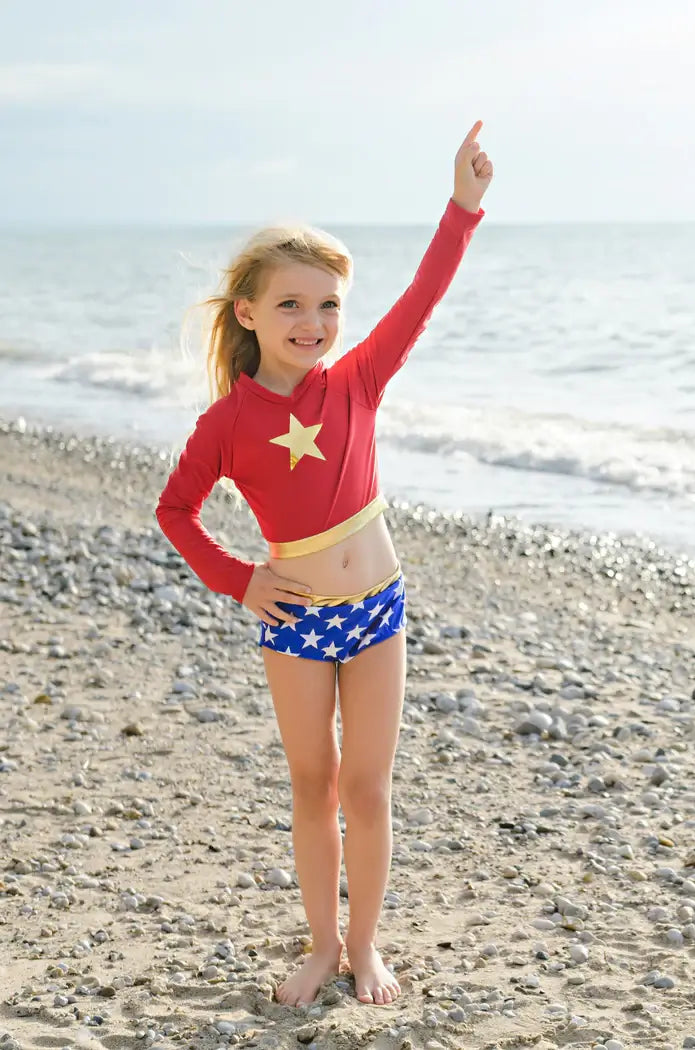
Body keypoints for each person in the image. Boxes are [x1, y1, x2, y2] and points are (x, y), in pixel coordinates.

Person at [155, 120, 492, 1008]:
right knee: (313, 784)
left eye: (329, 306)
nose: (315, 323)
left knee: (366, 786)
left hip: (377, 608)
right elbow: (174, 511)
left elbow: (421, 297)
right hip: (294, 620)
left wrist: (462, 207)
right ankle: (320, 943)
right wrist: (241, 579)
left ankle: (368, 947)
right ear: (249, 314)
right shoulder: (226, 423)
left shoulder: (357, 382)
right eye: (294, 305)